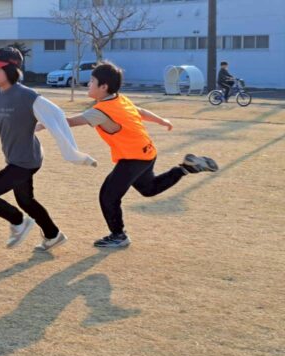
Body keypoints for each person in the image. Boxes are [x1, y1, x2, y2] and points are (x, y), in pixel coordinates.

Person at [37, 62, 219, 248]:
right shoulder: (120, 100)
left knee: (108, 196)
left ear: (103, 87)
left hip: (133, 158)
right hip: (147, 152)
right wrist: (161, 120)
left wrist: (42, 124)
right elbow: (140, 112)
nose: (88, 84)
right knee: (148, 189)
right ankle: (186, 168)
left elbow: (69, 122)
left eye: (92, 81)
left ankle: (119, 235)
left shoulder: (101, 111)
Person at [0, 47, 97, 251]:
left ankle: (18, 222)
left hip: (27, 160)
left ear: (11, 69)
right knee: (26, 201)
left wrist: (75, 155)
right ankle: (53, 235)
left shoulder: (28, 96)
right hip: (15, 159)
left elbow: (56, 116)